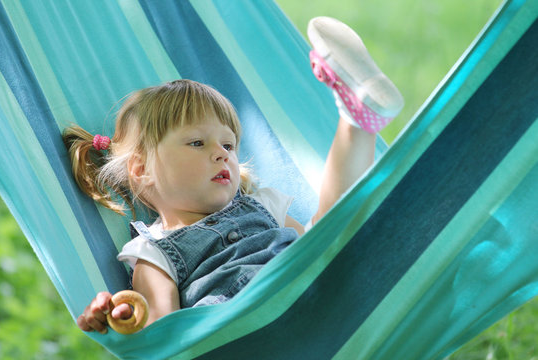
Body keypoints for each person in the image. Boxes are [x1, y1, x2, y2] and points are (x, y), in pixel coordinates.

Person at [65, 17, 403, 334]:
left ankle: (358, 117)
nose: (222, 153)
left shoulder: (262, 203)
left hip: (311, 292)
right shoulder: (152, 251)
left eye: (229, 144)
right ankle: (357, 120)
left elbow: (310, 251)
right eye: (197, 142)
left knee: (329, 231)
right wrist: (124, 316)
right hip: (248, 330)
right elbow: (163, 331)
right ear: (141, 169)